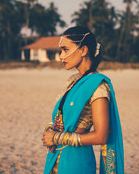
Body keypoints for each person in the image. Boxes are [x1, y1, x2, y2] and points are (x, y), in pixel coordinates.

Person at [42, 26, 124, 174]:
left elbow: (101, 136)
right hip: (55, 158)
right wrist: (50, 129)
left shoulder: (98, 86)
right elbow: (63, 117)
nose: (61, 56)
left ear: (83, 50)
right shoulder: (73, 81)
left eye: (65, 50)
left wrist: (57, 137)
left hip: (76, 162)